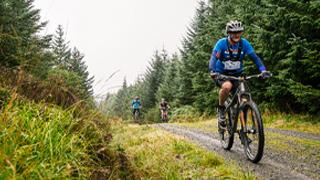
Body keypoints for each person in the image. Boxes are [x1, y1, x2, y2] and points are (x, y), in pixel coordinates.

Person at [209, 20, 271, 132]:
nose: (237, 35)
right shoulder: (221, 43)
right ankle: (222, 109)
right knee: (227, 87)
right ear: (229, 33)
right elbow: (213, 58)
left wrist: (263, 70)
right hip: (221, 74)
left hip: (238, 75)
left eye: (239, 32)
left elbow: (255, 58)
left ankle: (243, 128)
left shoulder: (244, 44)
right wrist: (212, 71)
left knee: (244, 97)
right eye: (233, 32)